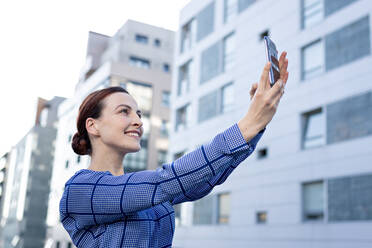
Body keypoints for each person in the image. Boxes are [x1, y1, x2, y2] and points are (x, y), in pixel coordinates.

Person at [59, 52, 289, 247]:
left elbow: (208, 176)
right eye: (124, 112)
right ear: (93, 125)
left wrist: (258, 122)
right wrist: (248, 124)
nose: (138, 121)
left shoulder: (147, 190)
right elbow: (166, 180)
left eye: (139, 114)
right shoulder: (80, 189)